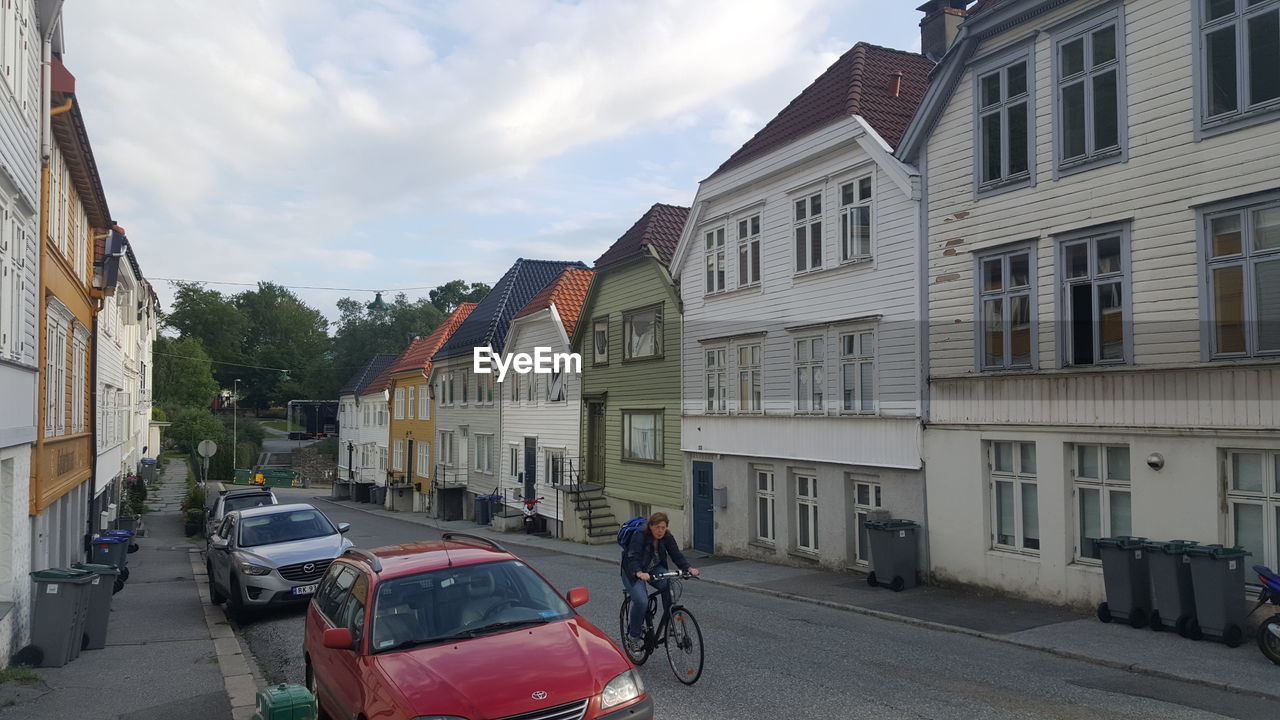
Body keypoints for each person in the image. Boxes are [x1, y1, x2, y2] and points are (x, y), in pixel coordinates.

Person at [620, 512, 698, 650]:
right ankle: (634, 636)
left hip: (654, 568)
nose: (660, 531)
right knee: (641, 601)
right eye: (657, 527)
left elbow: (676, 555)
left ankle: (670, 624)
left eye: (663, 527)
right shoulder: (640, 535)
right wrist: (638, 572)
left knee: (671, 585)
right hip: (633, 571)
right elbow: (633, 556)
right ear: (650, 526)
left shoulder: (667, 537)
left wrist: (688, 568)